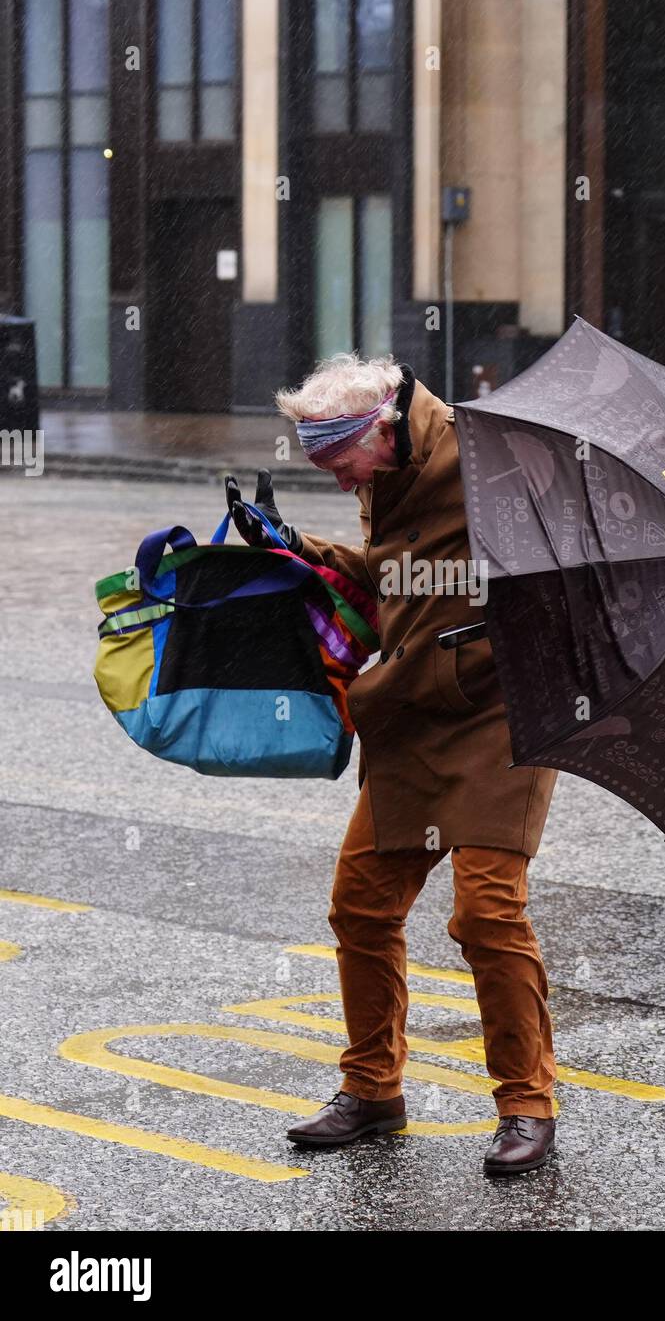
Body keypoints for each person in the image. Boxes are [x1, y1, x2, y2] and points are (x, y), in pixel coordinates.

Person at [228, 353, 559, 1176]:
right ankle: (372, 1089)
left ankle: (526, 1104)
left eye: (340, 468)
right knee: (360, 907)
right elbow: (393, 579)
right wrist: (296, 549)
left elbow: (565, 560)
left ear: (377, 428)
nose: (342, 485)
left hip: (499, 716)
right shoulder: (389, 467)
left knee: (486, 913)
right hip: (411, 716)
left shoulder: (490, 458)